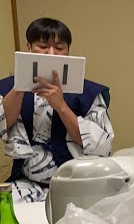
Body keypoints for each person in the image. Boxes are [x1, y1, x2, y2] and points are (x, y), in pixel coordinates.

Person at [0, 18, 113, 203]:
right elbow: (3, 125)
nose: (51, 53)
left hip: (78, 183)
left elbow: (102, 146)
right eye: (43, 46)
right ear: (29, 47)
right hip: (26, 183)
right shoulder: (7, 88)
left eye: (59, 47)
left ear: (68, 50)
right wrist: (20, 86)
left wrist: (61, 106)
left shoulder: (89, 92)